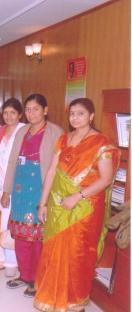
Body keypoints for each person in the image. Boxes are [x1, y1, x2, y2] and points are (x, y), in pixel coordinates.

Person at [34, 98, 119, 312]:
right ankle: (52, 299)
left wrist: (77, 197)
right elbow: (52, 171)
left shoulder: (101, 144)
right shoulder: (63, 139)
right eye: (72, 114)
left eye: (80, 113)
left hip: (85, 207)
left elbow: (106, 179)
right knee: (54, 249)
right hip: (57, 203)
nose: (75, 118)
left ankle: (74, 302)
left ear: (91, 116)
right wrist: (42, 203)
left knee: (78, 254)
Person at [2, 94, 63, 298]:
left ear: (45, 110)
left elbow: (59, 168)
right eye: (27, 109)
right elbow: (12, 161)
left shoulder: (56, 133)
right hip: (20, 189)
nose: (31, 113)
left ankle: (38, 279)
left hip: (40, 189)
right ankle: (25, 275)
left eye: (35, 109)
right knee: (20, 236)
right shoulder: (22, 131)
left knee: (38, 237)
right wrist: (6, 190)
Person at [0, 98, 25, 276]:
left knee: (11, 221)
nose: (9, 116)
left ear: (20, 115)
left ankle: (12, 261)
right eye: (6, 113)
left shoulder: (24, 131)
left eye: (13, 113)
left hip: (14, 184)